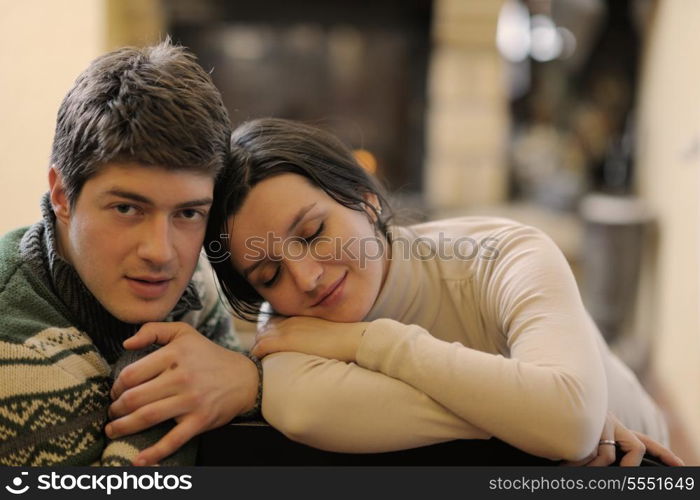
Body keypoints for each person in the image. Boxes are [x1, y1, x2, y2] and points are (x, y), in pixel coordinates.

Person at [196, 117, 680, 466]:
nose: (306, 278)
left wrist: (366, 343)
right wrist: (541, 414)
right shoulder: (286, 329)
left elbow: (569, 424)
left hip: (651, 463)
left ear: (365, 201)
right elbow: (302, 410)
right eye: (268, 275)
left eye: (312, 233)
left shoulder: (503, 254)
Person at [0, 41, 260, 466]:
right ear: (63, 195)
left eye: (188, 213)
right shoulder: (15, 359)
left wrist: (249, 379)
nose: (161, 253)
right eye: (126, 208)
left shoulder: (193, 291)